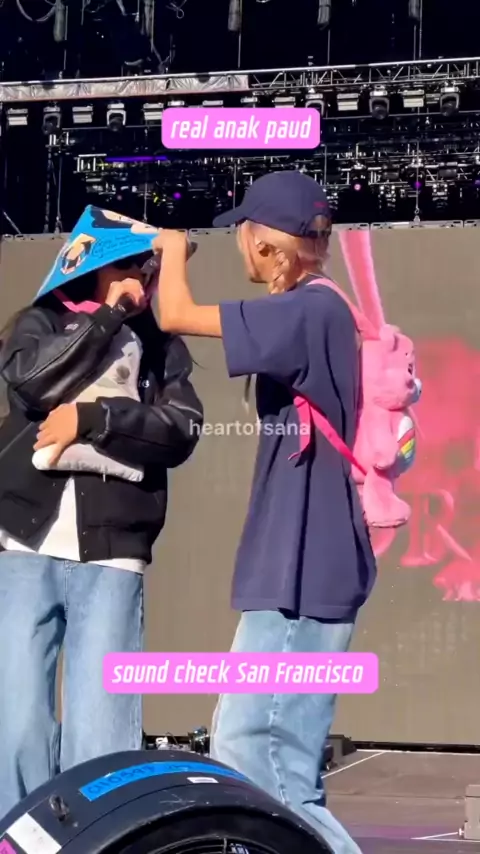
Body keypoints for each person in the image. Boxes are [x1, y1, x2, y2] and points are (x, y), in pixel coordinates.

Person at [153, 170, 376, 854]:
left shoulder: (310, 311)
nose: (239, 248)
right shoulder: (317, 311)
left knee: (263, 761)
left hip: (300, 573)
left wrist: (169, 251)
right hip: (299, 568)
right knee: (263, 763)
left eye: (243, 235)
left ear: (268, 244)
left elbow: (174, 314)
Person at [0, 247, 203, 820]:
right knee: (17, 720)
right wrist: (107, 317)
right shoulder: (42, 321)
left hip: (114, 552)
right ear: (93, 267)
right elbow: (32, 383)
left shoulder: (160, 346)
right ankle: (18, 835)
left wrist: (97, 418)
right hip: (25, 544)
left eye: (148, 271)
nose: (140, 279)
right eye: (128, 267)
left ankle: (99, 836)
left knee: (102, 727)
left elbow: (182, 428)